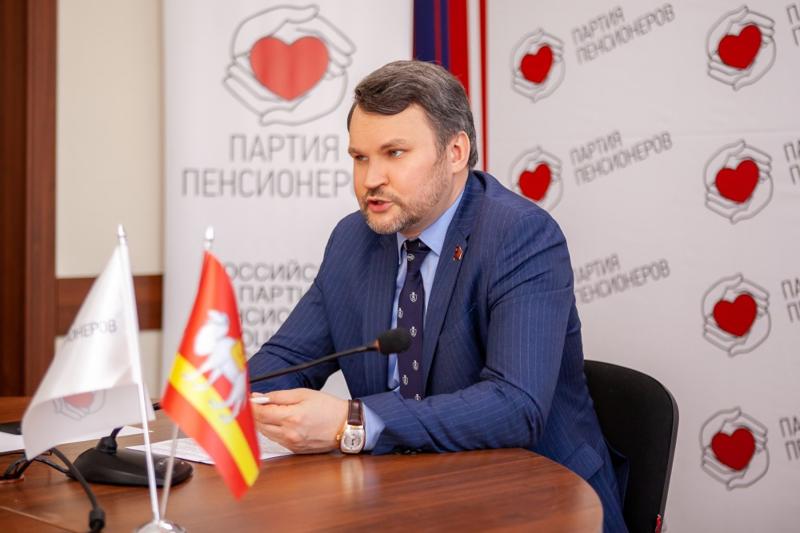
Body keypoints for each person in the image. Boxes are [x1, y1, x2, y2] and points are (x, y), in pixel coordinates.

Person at [248, 60, 627, 532]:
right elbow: (286, 361)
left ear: (455, 152)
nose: (370, 179)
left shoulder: (520, 235)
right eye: (360, 157)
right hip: (405, 497)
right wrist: (228, 392)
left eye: (394, 153)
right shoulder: (354, 239)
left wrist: (353, 420)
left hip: (536, 502)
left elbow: (516, 406)